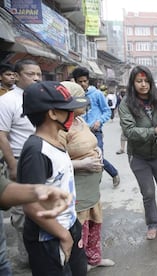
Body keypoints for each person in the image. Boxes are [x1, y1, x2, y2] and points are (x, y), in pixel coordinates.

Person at [18, 81, 89, 276]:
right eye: (68, 109)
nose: (72, 115)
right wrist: (63, 235)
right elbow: (31, 205)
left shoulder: (56, 141)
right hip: (48, 238)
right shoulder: (36, 150)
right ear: (52, 113)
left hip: (68, 226)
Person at [119, 65, 157, 240]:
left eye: (146, 81)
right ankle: (152, 223)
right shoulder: (126, 104)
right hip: (139, 156)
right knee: (148, 193)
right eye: (139, 81)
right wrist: (154, 131)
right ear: (133, 83)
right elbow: (129, 131)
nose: (143, 85)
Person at [59, 81, 114, 271]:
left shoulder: (80, 121)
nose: (86, 103)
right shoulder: (60, 128)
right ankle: (81, 265)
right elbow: (55, 163)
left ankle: (94, 258)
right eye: (81, 99)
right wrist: (81, 164)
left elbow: (89, 142)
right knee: (79, 228)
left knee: (94, 222)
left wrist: (96, 150)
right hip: (77, 189)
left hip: (92, 188)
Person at [0, 146, 73, 276]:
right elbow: (31, 208)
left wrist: (36, 192)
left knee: (2, 262)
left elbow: (2, 188)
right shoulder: (35, 150)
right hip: (43, 239)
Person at [0, 59, 41, 266]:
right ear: (16, 76)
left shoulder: (40, 97)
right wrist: (13, 166)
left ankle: (45, 251)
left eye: (38, 74)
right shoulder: (8, 101)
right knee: (22, 213)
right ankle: (27, 257)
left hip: (42, 159)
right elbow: (2, 135)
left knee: (44, 206)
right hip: (20, 160)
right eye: (30, 74)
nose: (35, 78)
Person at [71, 67, 120, 188]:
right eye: (79, 81)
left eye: (84, 81)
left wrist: (99, 121)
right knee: (84, 157)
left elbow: (107, 111)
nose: (82, 84)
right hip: (79, 133)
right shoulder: (73, 96)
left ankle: (111, 175)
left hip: (96, 131)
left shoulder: (97, 94)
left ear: (88, 81)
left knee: (98, 156)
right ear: (75, 82)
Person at [116, 90, 127, 154]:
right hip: (125, 119)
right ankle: (122, 148)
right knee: (123, 134)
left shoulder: (131, 99)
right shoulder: (121, 100)